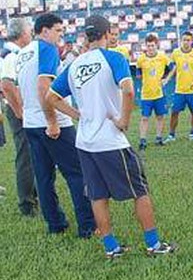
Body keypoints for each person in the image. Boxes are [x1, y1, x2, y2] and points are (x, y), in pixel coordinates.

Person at [46, 15, 176, 259]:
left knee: (97, 195)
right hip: (110, 140)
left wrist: (77, 115)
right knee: (140, 190)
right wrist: (124, 121)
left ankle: (111, 248)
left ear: (86, 36)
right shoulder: (114, 58)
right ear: (107, 35)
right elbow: (128, 90)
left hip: (85, 142)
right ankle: (153, 243)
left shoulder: (73, 65)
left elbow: (51, 97)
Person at [16, 13, 96, 237]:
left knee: (43, 176)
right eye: (58, 30)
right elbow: (44, 87)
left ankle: (55, 224)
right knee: (77, 173)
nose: (62, 35)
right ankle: (89, 226)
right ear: (44, 31)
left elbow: (24, 89)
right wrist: (52, 121)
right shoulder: (47, 49)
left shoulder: (23, 53)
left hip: (32, 123)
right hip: (51, 123)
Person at [0, 18, 38, 216]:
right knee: (25, 157)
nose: (31, 34)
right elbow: (6, 85)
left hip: (18, 109)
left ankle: (31, 197)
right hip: (18, 111)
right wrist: (20, 112)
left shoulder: (11, 53)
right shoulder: (11, 55)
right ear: (22, 34)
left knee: (29, 155)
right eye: (29, 31)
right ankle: (27, 204)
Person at [164, 31, 193, 141]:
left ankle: (192, 133)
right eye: (184, 40)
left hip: (192, 90)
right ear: (181, 41)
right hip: (179, 90)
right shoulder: (175, 53)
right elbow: (172, 69)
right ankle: (171, 135)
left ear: (192, 41)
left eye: (188, 40)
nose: (186, 42)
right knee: (174, 112)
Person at [137, 34, 170, 150]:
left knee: (160, 116)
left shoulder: (162, 58)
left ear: (157, 46)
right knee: (144, 117)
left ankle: (159, 138)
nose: (150, 48)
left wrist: (166, 78)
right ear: (145, 46)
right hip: (146, 94)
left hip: (159, 94)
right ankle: (142, 140)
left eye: (152, 46)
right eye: (148, 46)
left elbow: (170, 69)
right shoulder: (141, 59)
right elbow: (138, 73)